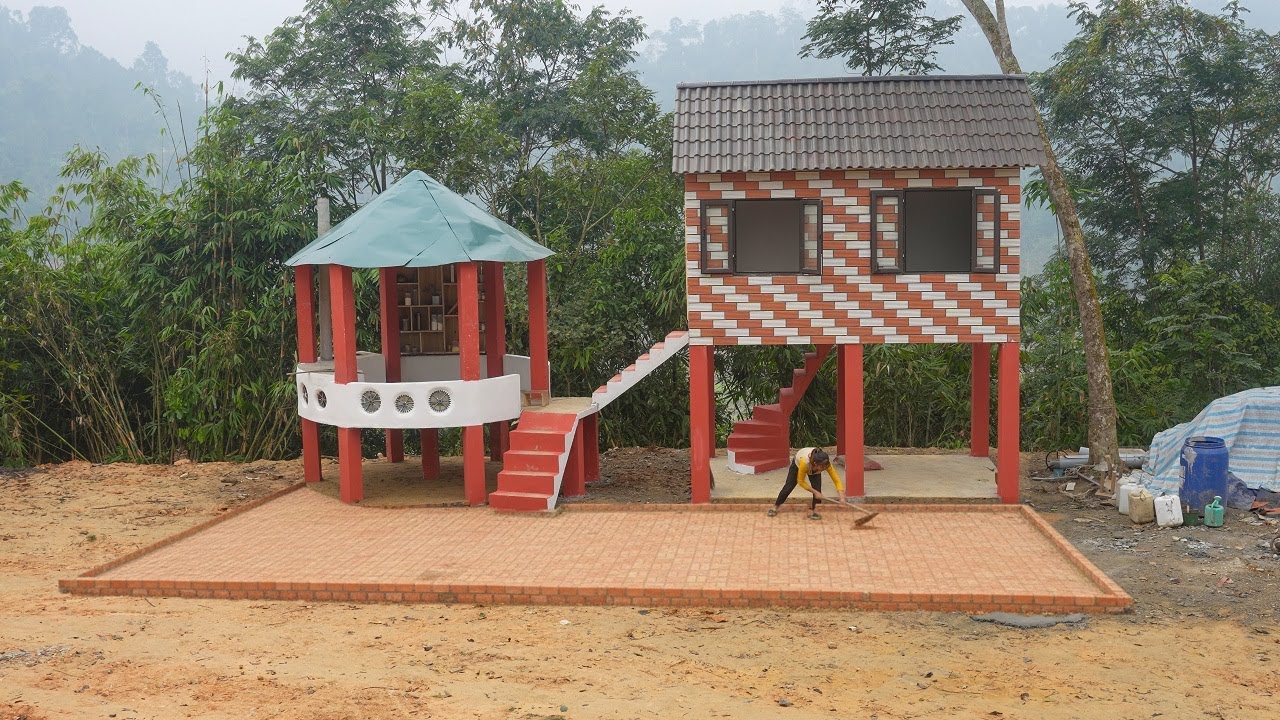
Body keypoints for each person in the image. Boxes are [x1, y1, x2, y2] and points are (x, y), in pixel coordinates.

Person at [767, 447, 845, 520]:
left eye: (825, 467)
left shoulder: (825, 464)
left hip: (814, 469)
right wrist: (815, 492)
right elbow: (800, 481)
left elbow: (836, 480)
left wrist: (841, 495)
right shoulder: (804, 462)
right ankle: (775, 507)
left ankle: (814, 511)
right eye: (822, 467)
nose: (824, 469)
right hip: (797, 465)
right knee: (788, 487)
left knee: (817, 489)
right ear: (815, 463)